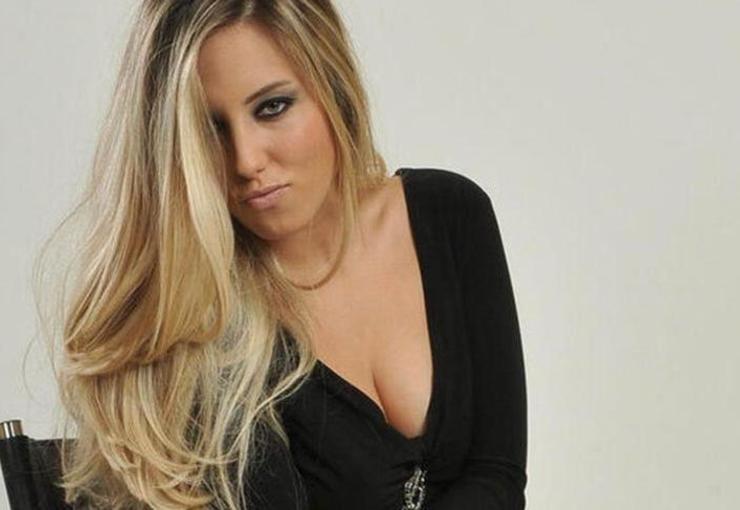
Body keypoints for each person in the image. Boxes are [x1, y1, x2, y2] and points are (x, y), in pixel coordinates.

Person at [34, 1, 527, 508]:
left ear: (332, 84)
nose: (246, 161)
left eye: (272, 107)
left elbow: (497, 474)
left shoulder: (449, 216)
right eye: (209, 129)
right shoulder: (198, 329)